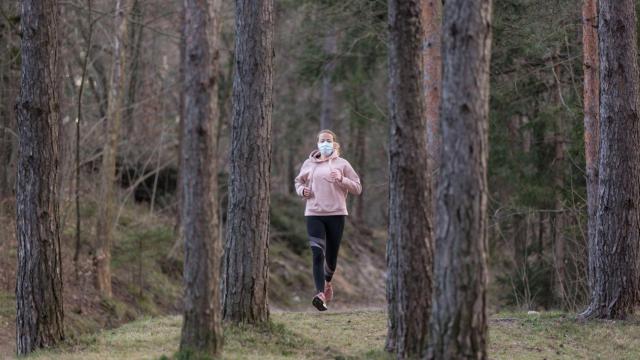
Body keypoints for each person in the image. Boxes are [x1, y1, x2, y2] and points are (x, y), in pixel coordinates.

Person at [294, 129, 362, 311]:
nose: (325, 143)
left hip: (336, 214)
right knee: (317, 253)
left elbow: (358, 188)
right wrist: (302, 191)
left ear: (333, 143)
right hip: (314, 213)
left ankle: (328, 283)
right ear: (317, 143)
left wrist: (341, 179)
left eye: (329, 140)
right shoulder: (309, 163)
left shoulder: (342, 164)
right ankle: (319, 294)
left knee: (331, 256)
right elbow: (298, 182)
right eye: (322, 140)